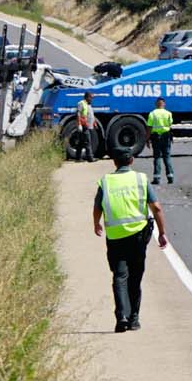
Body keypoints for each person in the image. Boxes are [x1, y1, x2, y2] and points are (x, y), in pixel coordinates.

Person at [92, 147, 168, 333]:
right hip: (138, 236)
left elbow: (97, 206)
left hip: (116, 237)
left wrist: (96, 224)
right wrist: (162, 232)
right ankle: (134, 318)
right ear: (132, 160)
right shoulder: (141, 179)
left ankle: (122, 318)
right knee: (135, 277)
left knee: (119, 276)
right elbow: (156, 208)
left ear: (114, 162)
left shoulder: (106, 182)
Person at [146, 97, 176, 185]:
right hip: (166, 137)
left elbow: (149, 127)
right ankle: (170, 177)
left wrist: (147, 139)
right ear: (164, 104)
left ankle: (157, 178)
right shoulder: (168, 113)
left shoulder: (152, 114)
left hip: (156, 137)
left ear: (156, 104)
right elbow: (170, 124)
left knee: (157, 157)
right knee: (167, 157)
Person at [71, 93, 99, 162]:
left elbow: (91, 114)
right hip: (84, 125)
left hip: (88, 125)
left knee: (81, 142)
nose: (92, 99)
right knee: (88, 141)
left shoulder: (88, 105)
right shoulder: (81, 103)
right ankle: (90, 158)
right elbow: (78, 114)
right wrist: (79, 124)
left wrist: (94, 122)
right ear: (87, 97)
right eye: (91, 97)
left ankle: (78, 158)